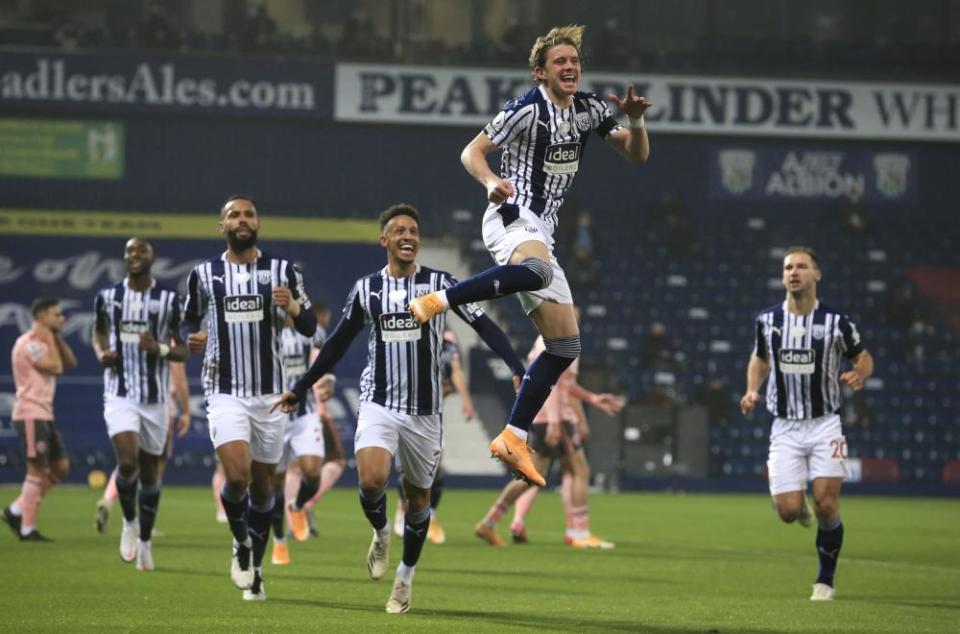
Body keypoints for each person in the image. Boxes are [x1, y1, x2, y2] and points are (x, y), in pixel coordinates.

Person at [407, 24, 650, 486]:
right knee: (536, 270)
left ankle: (513, 438)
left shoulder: (590, 109)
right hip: (511, 216)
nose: (570, 67)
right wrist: (489, 181)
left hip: (545, 230)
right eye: (560, 62)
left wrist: (636, 121)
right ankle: (444, 298)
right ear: (541, 72)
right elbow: (471, 152)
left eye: (575, 61)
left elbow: (636, 156)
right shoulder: (525, 109)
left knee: (565, 346)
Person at [273, 204, 525, 614]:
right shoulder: (367, 290)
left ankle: (404, 579)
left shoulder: (441, 284)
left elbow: (481, 323)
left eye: (413, 230)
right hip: (379, 402)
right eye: (399, 231)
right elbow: (337, 342)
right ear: (384, 240)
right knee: (372, 480)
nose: (408, 236)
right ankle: (380, 531)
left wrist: (516, 365)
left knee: (418, 499)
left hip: (425, 411)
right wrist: (301, 386)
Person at [181, 194, 316, 601]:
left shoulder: (281, 270)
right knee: (236, 476)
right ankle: (240, 542)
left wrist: (292, 305)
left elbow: (309, 326)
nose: (242, 220)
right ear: (222, 226)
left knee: (263, 491)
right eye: (233, 215)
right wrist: (194, 337)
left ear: (257, 223)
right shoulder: (203, 274)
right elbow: (188, 319)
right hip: (224, 390)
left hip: (270, 394)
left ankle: (255, 569)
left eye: (249, 214)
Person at [739, 246, 874, 602]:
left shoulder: (836, 322)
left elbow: (863, 356)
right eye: (788, 267)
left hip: (825, 423)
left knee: (827, 504)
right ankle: (795, 506)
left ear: (817, 274)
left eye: (801, 266)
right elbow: (759, 358)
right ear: (782, 276)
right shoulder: (768, 320)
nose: (793, 272)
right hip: (784, 426)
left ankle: (825, 580)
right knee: (787, 512)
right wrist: (752, 390)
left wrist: (859, 374)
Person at [91, 238, 189, 569]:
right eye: (130, 251)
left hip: (155, 400)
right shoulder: (108, 297)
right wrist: (101, 352)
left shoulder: (170, 301)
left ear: (152, 258)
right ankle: (129, 523)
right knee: (127, 462)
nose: (134, 256)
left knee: (150, 476)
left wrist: (159, 348)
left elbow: (184, 350)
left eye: (141, 251)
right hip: (119, 394)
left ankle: (145, 539)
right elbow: (99, 332)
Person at [475, 333, 624, 548]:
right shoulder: (561, 337)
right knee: (579, 470)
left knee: (533, 476)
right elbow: (553, 383)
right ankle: (579, 533)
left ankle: (490, 522)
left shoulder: (545, 338)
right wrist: (555, 421)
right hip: (558, 417)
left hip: (541, 414)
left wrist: (592, 399)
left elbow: (561, 383)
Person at [2, 297, 77, 541]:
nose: (62, 318)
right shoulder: (29, 343)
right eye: (56, 315)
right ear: (42, 317)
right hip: (30, 413)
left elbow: (70, 362)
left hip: (44, 413)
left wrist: (55, 336)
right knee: (36, 469)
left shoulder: (46, 342)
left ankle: (15, 510)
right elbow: (55, 367)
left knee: (60, 467)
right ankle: (27, 528)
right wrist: (49, 336)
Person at [392, 328, 476, 544]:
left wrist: (465, 400)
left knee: (437, 468)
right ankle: (402, 511)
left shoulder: (447, 342)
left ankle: (431, 513)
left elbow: (455, 370)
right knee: (408, 469)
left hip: (432, 414)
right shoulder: (409, 334)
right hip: (405, 410)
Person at [94, 361, 189, 535]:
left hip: (131, 405)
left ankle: (108, 499)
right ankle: (145, 521)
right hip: (160, 410)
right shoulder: (170, 344)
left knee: (129, 460)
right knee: (153, 467)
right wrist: (186, 411)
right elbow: (179, 382)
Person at [268, 317, 332, 565]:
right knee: (274, 484)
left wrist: (330, 381)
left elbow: (329, 354)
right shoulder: (263, 330)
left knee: (313, 474)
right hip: (273, 415)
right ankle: (279, 542)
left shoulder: (310, 331)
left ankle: (297, 507)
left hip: (304, 415)